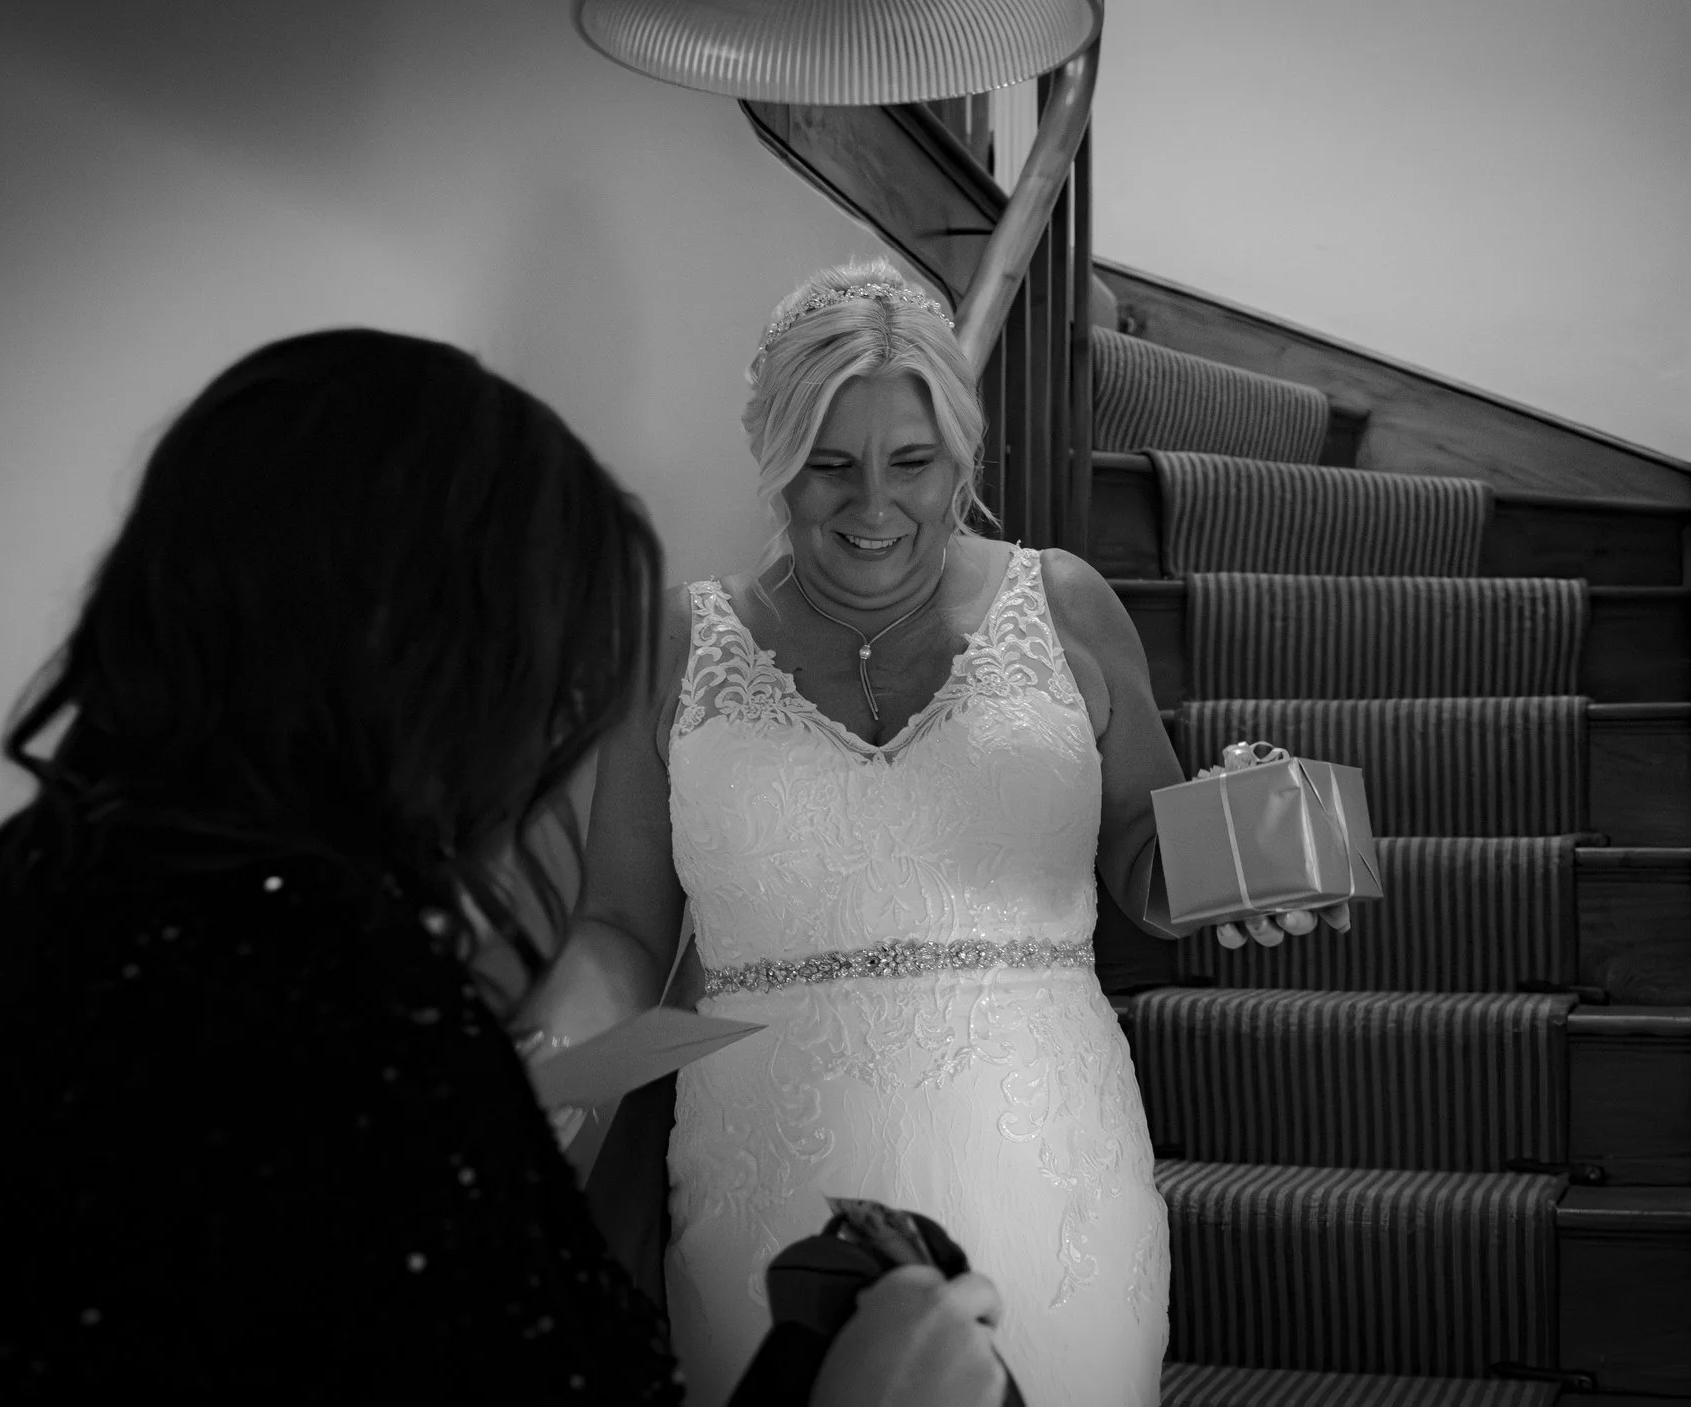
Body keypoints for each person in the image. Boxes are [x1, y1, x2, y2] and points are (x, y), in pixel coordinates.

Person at [0, 328, 1009, 1406]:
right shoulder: (355, 1042)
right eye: (544, 669)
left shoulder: (36, 937)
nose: (552, 729)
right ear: (418, 662)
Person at [524, 260, 1350, 1407]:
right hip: (764, 1166)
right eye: (829, 465)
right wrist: (545, 1077)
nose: (872, 508)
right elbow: (623, 930)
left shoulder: (1064, 604)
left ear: (960, 453)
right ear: (773, 458)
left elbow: (1143, 867)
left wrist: (1249, 869)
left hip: (1046, 1155)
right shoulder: (677, 640)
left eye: (911, 462)